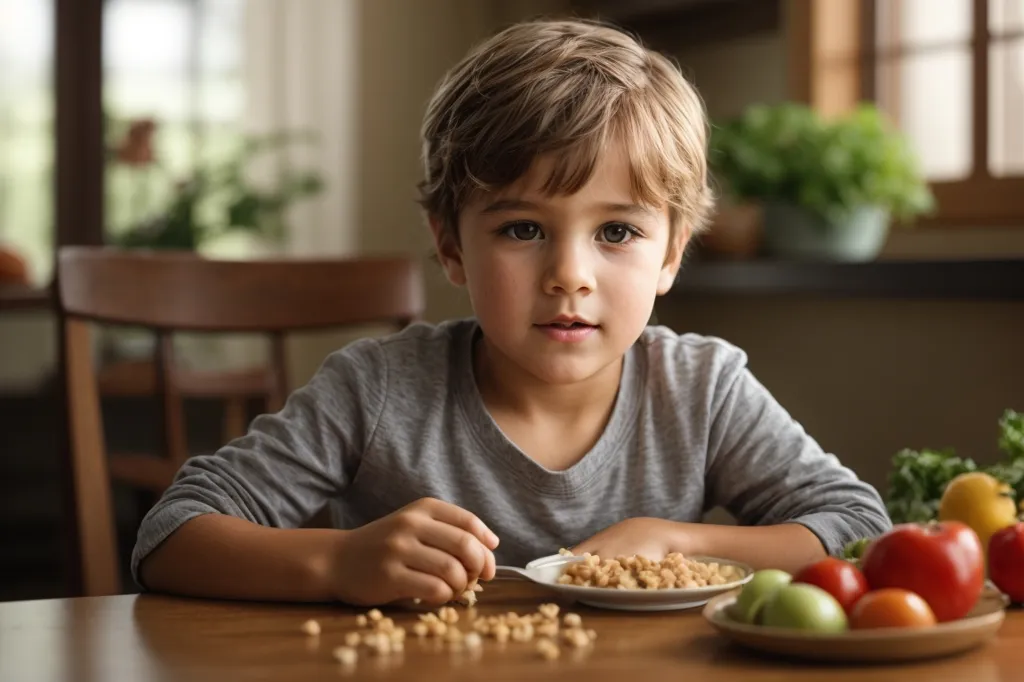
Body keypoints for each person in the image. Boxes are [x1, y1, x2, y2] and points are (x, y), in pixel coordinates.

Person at [133, 18, 891, 607]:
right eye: (523, 229)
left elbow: (859, 526)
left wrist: (671, 543)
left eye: (618, 232)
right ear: (451, 246)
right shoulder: (378, 389)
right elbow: (170, 536)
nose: (569, 276)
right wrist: (339, 561)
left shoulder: (702, 390)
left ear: (671, 255)